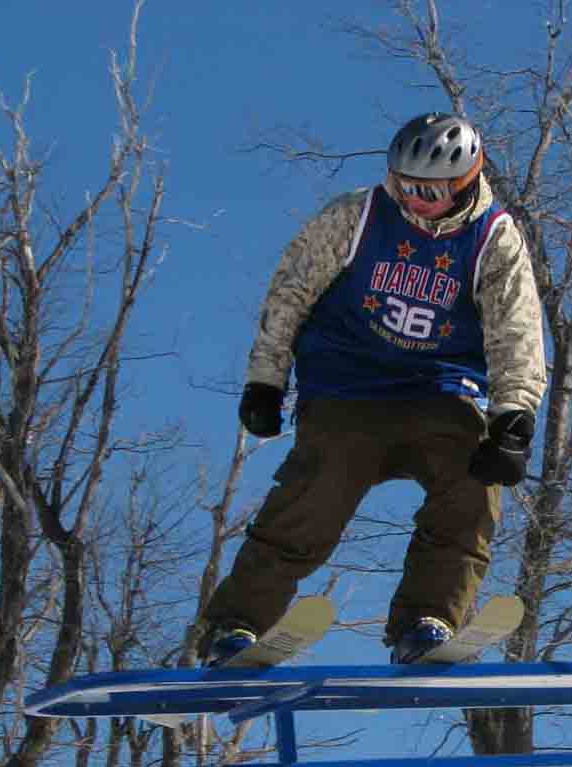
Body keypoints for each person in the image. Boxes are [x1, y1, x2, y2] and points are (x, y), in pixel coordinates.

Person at [197, 112, 548, 665]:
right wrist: (266, 380)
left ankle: (428, 619)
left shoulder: (494, 237)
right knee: (316, 490)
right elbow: (290, 292)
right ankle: (237, 624)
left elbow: (516, 329)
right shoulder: (356, 216)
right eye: (405, 185)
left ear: (465, 182)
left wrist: (513, 418)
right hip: (348, 385)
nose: (414, 199)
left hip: (439, 386)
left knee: (473, 484)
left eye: (429, 190)